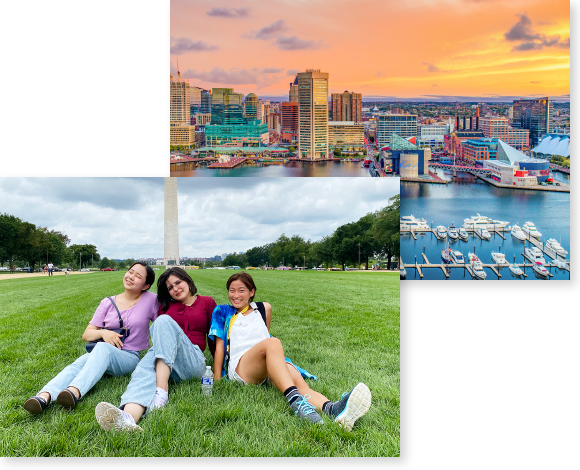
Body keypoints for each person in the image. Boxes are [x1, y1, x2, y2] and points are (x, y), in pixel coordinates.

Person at [209, 272, 372, 431]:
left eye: (241, 290)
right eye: (232, 290)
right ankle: (295, 401)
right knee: (273, 343)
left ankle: (333, 410)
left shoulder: (264, 308)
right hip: (242, 367)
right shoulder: (222, 312)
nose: (235, 295)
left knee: (300, 384)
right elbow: (220, 348)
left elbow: (263, 334)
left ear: (252, 292)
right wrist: (217, 379)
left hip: (265, 362)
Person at [23, 262, 159, 414]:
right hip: (100, 354)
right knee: (77, 364)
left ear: (146, 286)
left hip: (128, 356)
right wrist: (103, 333)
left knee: (101, 349)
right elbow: (86, 335)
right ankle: (43, 396)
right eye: (130, 272)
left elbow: (161, 325)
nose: (131, 277)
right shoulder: (108, 302)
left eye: (138, 276)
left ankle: (74, 391)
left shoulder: (151, 300)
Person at [95, 267, 217, 432]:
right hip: (168, 363)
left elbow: (214, 338)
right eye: (170, 288)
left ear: (187, 280)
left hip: (193, 361)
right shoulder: (166, 306)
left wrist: (218, 371)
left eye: (178, 283)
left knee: (163, 323)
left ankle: (161, 393)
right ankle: (128, 418)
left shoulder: (207, 302)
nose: (175, 289)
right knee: (145, 366)